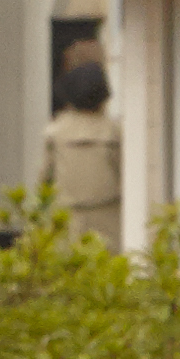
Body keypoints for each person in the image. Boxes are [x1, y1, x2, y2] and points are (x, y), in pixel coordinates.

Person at [39, 51, 124, 234]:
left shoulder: (56, 131)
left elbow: (45, 178)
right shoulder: (113, 131)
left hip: (68, 214)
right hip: (108, 213)